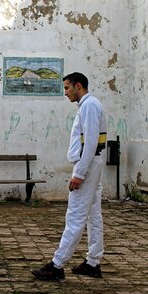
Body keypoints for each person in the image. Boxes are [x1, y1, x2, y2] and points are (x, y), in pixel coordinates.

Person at [31, 72, 107, 280]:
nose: (65, 92)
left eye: (67, 88)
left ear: (78, 86)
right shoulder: (88, 105)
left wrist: (80, 173)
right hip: (92, 163)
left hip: (87, 165)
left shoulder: (89, 106)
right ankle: (93, 262)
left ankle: (56, 265)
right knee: (93, 215)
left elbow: (90, 143)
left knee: (75, 216)